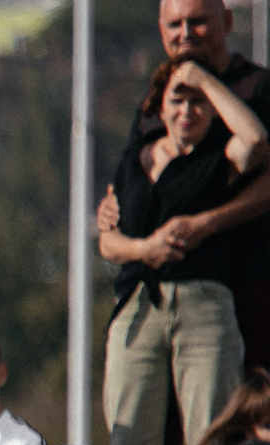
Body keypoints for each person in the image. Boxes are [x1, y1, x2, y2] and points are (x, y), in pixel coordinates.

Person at [101, 56, 266, 445]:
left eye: (199, 102)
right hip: (138, 305)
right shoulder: (135, 160)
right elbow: (108, 241)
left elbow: (254, 141)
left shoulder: (218, 160)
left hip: (203, 305)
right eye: (179, 98)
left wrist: (205, 81)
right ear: (160, 105)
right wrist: (144, 249)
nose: (188, 111)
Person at [100, 0, 270, 369]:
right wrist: (112, 207)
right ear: (161, 31)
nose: (186, 34)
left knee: (240, 415)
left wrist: (207, 223)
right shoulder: (159, 93)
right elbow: (132, 173)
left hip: (247, 279)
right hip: (154, 292)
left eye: (197, 22)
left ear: (226, 22)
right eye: (175, 24)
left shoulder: (258, 88)